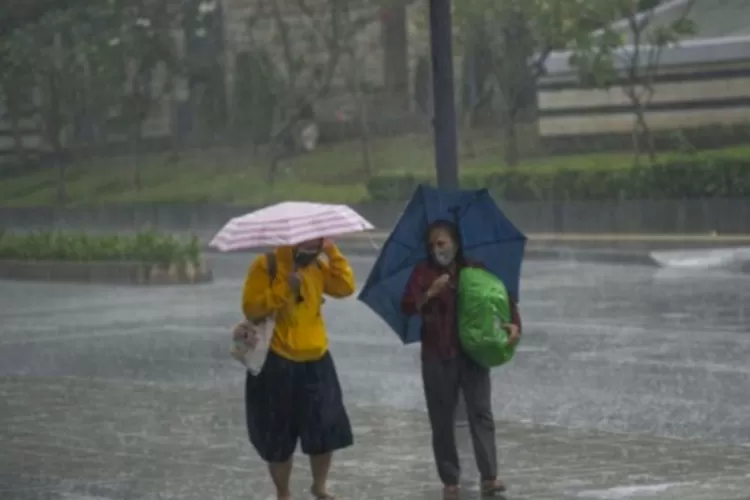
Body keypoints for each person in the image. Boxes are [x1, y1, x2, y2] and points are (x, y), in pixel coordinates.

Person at [401, 220, 522, 499]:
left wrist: (514, 324)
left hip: (473, 353)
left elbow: (502, 299)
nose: (436, 249)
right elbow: (407, 305)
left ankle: (490, 476)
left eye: (441, 243)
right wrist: (430, 292)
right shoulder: (423, 272)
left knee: (480, 412)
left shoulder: (475, 269)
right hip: (437, 355)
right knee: (441, 419)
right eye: (432, 245)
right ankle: (450, 480)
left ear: (455, 243)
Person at [237, 238, 355, 500]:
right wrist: (284, 287)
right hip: (277, 361)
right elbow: (251, 307)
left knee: (325, 428)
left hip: (317, 358)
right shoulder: (266, 265)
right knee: (278, 434)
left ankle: (320, 485)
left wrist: (332, 252)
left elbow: (346, 286)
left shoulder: (318, 267)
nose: (313, 245)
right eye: (310, 240)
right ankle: (283, 492)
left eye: (318, 240)